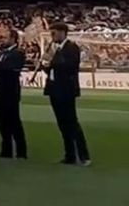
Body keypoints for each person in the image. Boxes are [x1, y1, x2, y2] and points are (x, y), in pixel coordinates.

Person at [43, 22, 91, 166]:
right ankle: (69, 155)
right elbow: (53, 70)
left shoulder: (71, 47)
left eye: (54, 33)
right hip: (54, 89)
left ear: (63, 32)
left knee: (72, 122)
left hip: (66, 90)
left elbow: (70, 67)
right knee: (62, 124)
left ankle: (84, 156)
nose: (52, 37)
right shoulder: (55, 49)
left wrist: (52, 59)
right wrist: (46, 65)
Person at [0, 27, 27, 159]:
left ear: (13, 39)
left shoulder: (18, 53)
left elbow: (10, 68)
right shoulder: (3, 52)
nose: (2, 40)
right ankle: (6, 150)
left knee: (14, 121)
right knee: (2, 122)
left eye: (5, 37)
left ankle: (21, 151)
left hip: (10, 92)